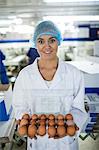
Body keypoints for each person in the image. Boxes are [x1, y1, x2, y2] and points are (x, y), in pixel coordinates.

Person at [12, 21, 88, 150]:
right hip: (37, 142)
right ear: (35, 44)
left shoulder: (74, 74)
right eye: (41, 41)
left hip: (66, 142)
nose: (47, 46)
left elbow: (79, 109)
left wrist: (67, 127)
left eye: (52, 40)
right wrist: (29, 124)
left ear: (59, 41)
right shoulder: (25, 75)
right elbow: (19, 107)